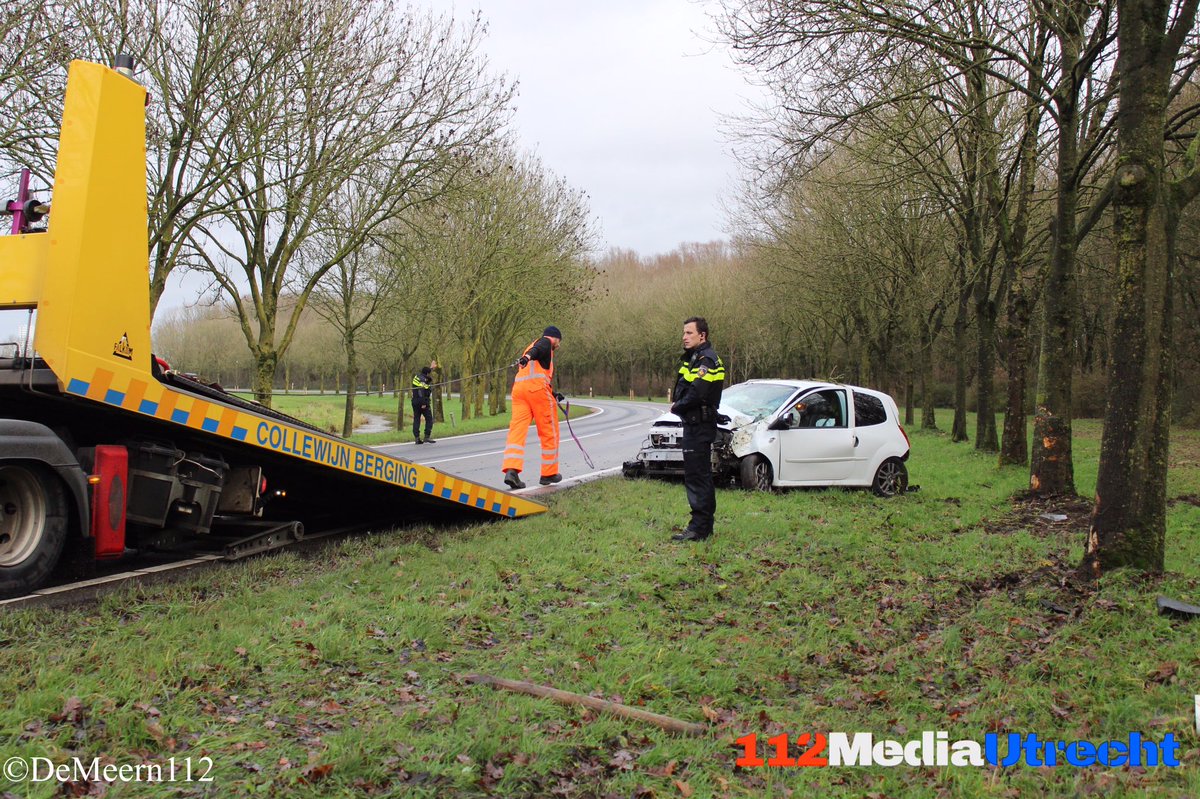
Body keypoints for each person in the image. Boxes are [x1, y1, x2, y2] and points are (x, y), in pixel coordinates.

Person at [670, 316, 725, 541]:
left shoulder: (707, 360)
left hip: (700, 425)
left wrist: (677, 406)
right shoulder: (692, 358)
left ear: (702, 335)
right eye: (683, 333)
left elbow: (697, 393)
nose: (684, 337)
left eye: (689, 333)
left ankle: (699, 529)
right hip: (693, 424)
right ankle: (702, 527)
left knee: (697, 477)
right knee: (696, 475)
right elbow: (682, 386)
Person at [502, 326, 565, 489]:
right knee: (549, 431)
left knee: (517, 431)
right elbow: (539, 349)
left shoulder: (530, 346)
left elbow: (534, 375)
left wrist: (554, 393)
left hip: (519, 392)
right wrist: (528, 357)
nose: (558, 346)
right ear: (555, 338)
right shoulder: (545, 343)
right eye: (559, 342)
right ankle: (548, 473)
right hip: (536, 392)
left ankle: (512, 471)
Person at [411, 360, 438, 444]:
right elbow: (421, 391)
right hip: (422, 402)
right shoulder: (424, 381)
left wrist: (431, 367)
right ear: (427, 374)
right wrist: (423, 403)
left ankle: (417, 438)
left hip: (414, 402)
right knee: (429, 419)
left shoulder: (417, 377)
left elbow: (425, 372)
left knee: (416, 419)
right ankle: (427, 436)